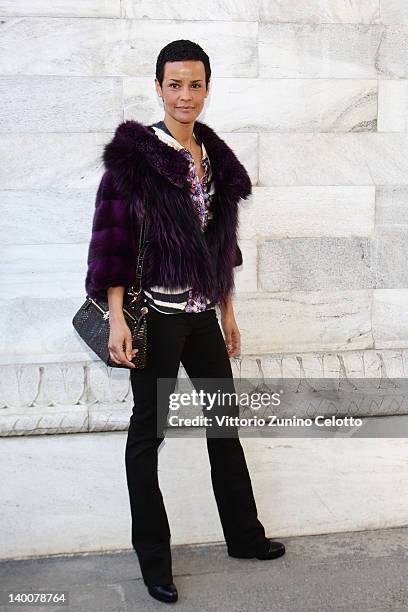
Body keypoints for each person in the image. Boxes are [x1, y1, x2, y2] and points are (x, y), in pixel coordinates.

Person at [85, 39, 285, 605]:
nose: (185, 95)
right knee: (148, 435)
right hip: (156, 319)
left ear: (207, 88)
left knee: (225, 426)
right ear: (157, 87)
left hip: (202, 319)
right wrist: (118, 319)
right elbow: (113, 244)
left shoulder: (213, 156)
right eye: (174, 84)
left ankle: (244, 538)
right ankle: (154, 562)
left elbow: (220, 245)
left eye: (195, 84)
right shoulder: (135, 157)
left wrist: (229, 313)